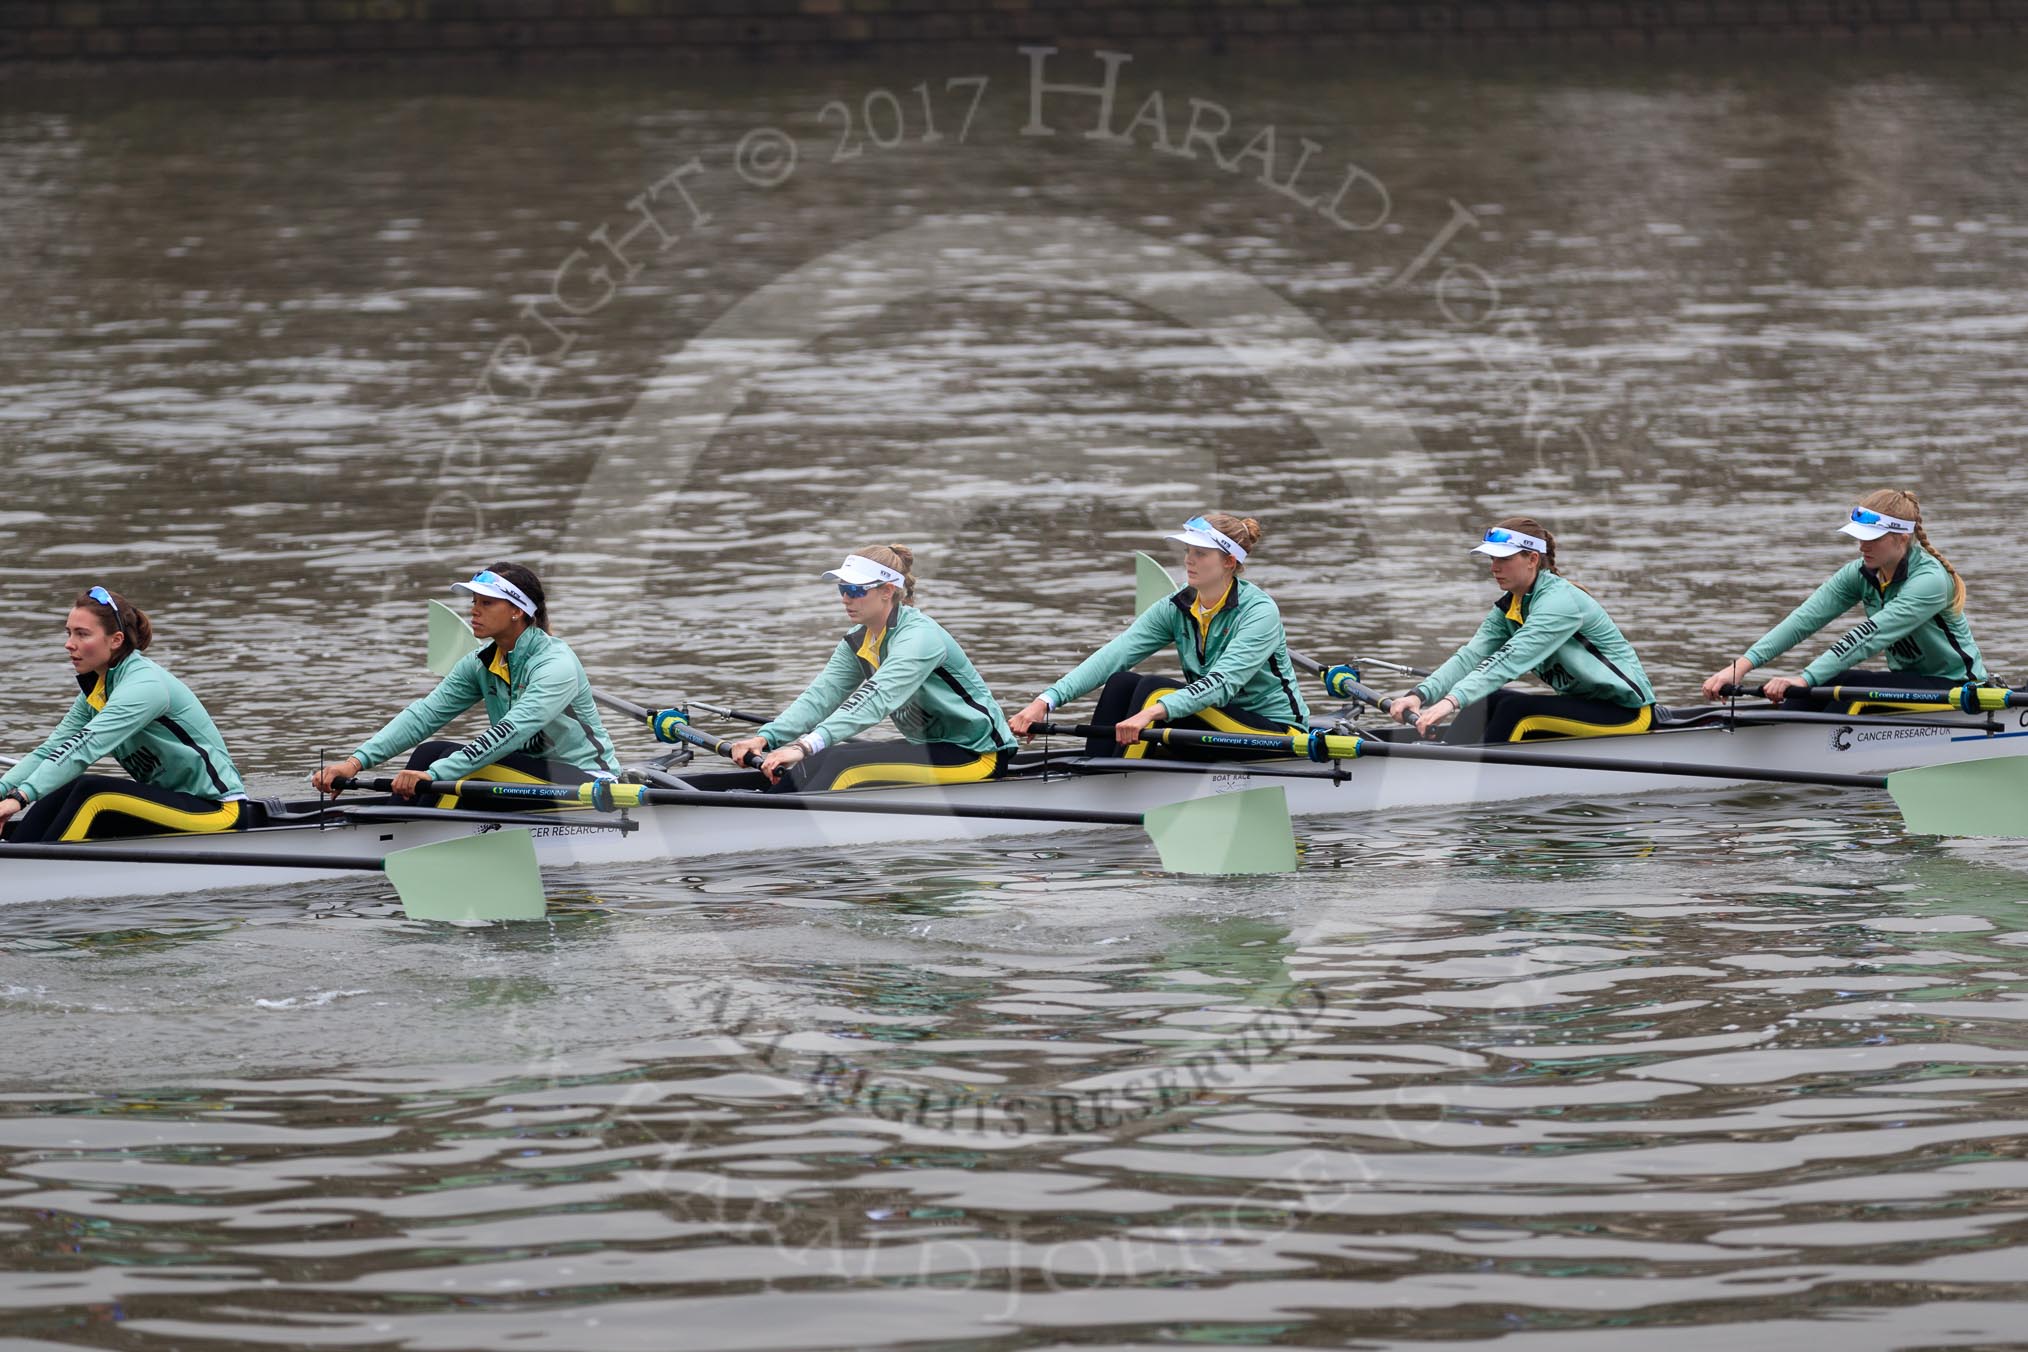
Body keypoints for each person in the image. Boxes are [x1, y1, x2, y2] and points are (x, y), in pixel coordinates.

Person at [1005, 514, 1310, 760]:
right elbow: (1116, 654)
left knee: (1154, 690)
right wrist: (1046, 702)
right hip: (1216, 721)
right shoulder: (1178, 604)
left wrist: (1150, 713)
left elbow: (1222, 684)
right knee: (1122, 681)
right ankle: (1097, 767)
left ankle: (1114, 776)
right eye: (1188, 551)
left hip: (1274, 733)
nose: (1189, 560)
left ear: (1229, 562)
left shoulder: (1259, 612)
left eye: (1200, 553)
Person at [310, 564, 619, 802]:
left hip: (586, 782)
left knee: (448, 764)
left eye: (486, 603)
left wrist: (434, 776)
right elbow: (425, 714)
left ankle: (406, 829)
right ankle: (399, 825)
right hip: (525, 772)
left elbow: (511, 732)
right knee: (430, 751)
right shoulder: (482, 661)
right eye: (474, 601)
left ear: (516, 611)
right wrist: (355, 763)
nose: (473, 610)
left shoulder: (555, 664)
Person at [724, 546, 1016, 791]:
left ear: (888, 591)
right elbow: (821, 696)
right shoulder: (859, 639)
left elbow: (876, 698)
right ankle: (761, 812)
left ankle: (779, 827)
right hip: (931, 747)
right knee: (819, 759)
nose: (845, 598)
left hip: (977, 754)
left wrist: (803, 746)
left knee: (840, 765)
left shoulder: (919, 638)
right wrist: (765, 737)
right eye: (842, 588)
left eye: (855, 589)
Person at [0, 586, 248, 843]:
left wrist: (21, 797)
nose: (69, 644)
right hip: (169, 803)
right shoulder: (98, 690)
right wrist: (3, 791)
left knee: (92, 793)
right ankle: (19, 853)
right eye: (69, 632)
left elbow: (84, 749)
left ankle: (34, 871)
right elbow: (50, 750)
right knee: (62, 784)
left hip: (217, 809)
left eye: (82, 634)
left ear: (116, 640)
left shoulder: (144, 686)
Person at [1389, 519, 1656, 743]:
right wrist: (1419, 695)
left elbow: (1509, 661)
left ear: (1532, 559)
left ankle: (1463, 779)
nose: (1494, 567)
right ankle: (1444, 759)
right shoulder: (1511, 606)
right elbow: (1470, 657)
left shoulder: (1560, 603)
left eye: (1504, 558)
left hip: (1626, 711)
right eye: (1492, 558)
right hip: (1582, 704)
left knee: (1516, 710)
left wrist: (1450, 702)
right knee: (1484, 700)